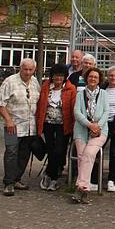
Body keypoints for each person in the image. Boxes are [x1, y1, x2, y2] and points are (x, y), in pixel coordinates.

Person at [0, 58, 41, 196]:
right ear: (20, 68)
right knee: (11, 153)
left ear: (34, 70)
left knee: (24, 154)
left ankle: (17, 179)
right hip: (12, 126)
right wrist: (8, 120)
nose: (27, 72)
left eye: (30, 70)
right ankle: (8, 183)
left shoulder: (34, 82)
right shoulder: (10, 81)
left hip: (29, 126)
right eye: (25, 69)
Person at [36, 63, 76, 192]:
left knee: (59, 150)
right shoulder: (46, 87)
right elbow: (40, 106)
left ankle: (50, 173)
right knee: (50, 149)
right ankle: (52, 177)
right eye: (56, 76)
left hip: (63, 124)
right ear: (52, 76)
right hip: (48, 123)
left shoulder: (71, 89)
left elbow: (73, 108)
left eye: (61, 76)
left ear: (65, 77)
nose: (58, 78)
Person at [72, 67, 108, 203]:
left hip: (99, 132)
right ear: (87, 78)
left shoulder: (104, 94)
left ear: (99, 80)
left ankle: (80, 188)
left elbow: (106, 112)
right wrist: (89, 125)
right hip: (82, 130)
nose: (93, 79)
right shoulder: (80, 94)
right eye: (91, 76)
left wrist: (97, 126)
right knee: (82, 156)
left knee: (88, 154)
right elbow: (77, 112)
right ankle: (84, 188)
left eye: (96, 77)